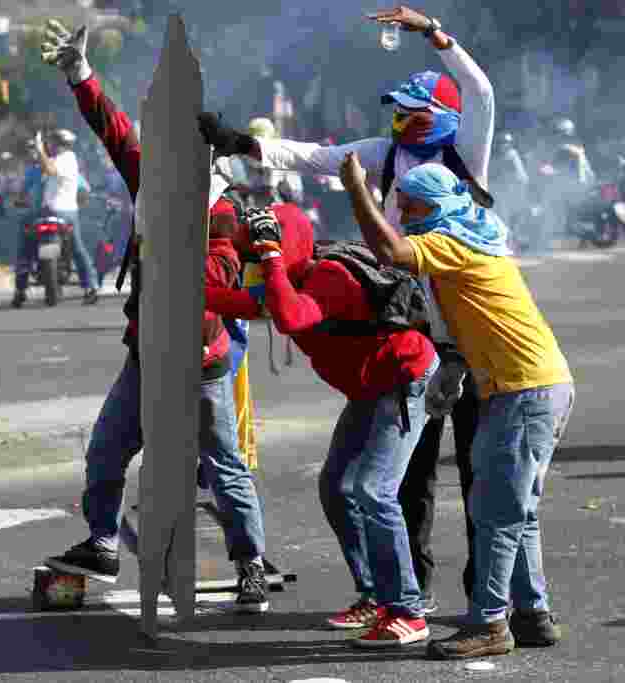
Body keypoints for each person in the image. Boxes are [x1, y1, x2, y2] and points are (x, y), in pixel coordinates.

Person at [199, 3, 494, 616]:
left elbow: (480, 89)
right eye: (398, 110)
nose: (401, 121)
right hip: (412, 328)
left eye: (413, 112)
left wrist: (435, 35)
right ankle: (401, 595)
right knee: (405, 485)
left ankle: (492, 605)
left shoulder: (467, 153)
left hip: (468, 334)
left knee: (481, 478)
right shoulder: (383, 156)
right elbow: (311, 157)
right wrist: (244, 144)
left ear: (443, 119)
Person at [38, 19, 272, 612]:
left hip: (198, 361)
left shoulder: (220, 216)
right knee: (106, 450)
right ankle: (103, 542)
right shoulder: (154, 174)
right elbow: (114, 131)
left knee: (225, 467)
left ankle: (250, 568)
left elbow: (214, 287)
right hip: (148, 352)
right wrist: (79, 74)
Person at [341, 154, 575, 660]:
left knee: (495, 511)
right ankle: (531, 613)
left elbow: (389, 251)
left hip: (525, 391)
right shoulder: (474, 231)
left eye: (410, 205)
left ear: (436, 206)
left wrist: (358, 190)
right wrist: (453, 365)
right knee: (517, 510)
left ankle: (491, 623)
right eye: (398, 205)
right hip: (529, 385)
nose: (402, 214)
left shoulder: (450, 241)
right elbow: (471, 318)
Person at [205, 201, 438, 648]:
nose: (252, 267)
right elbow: (242, 302)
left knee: (374, 489)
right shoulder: (287, 279)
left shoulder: (328, 277)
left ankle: (408, 609)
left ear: (284, 249)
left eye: (257, 257)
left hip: (403, 380)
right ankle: (374, 596)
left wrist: (270, 254)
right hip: (371, 388)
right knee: (336, 485)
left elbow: (291, 317)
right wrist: (182, 287)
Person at [34, 128, 99, 305]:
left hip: (62, 212)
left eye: (52, 142)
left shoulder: (67, 159)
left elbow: (49, 169)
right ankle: (83, 285)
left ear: (60, 144)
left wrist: (39, 149)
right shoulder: (59, 159)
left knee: (77, 248)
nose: (50, 145)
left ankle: (90, 285)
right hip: (57, 211)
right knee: (74, 249)